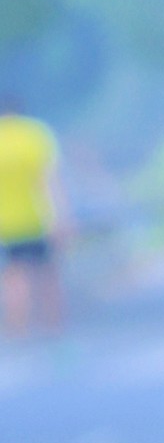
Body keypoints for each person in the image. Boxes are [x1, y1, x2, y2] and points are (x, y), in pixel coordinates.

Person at [0, 90, 68, 340]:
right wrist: (61, 217)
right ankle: (54, 331)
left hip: (6, 224)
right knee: (47, 275)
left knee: (14, 275)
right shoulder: (35, 134)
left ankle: (19, 333)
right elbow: (49, 180)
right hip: (38, 220)